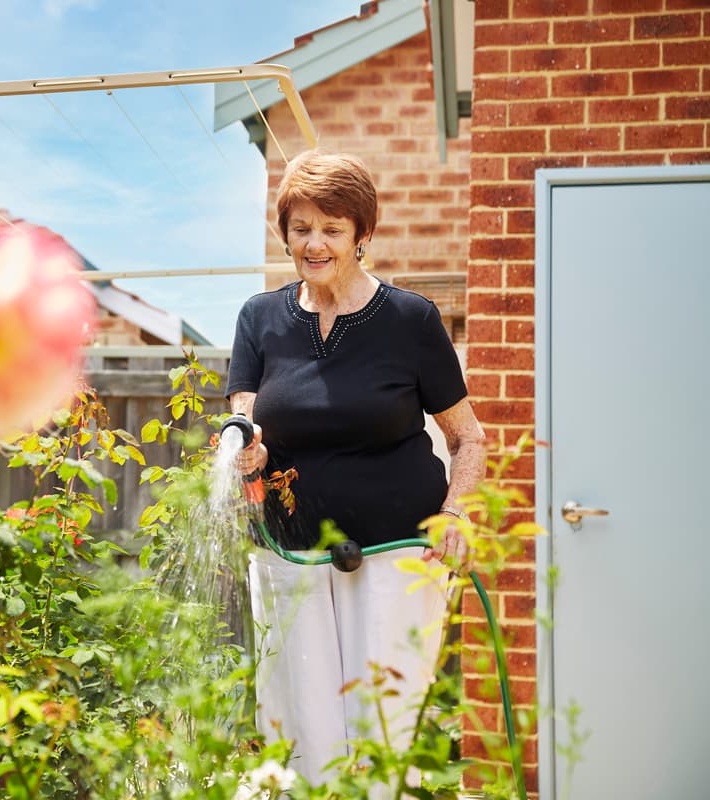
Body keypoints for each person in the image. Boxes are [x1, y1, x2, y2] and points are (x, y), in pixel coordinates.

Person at [225, 151, 486, 786]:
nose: (314, 244)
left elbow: (469, 440)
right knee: (298, 725)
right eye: (301, 228)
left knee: (384, 729)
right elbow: (246, 420)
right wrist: (246, 450)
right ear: (285, 233)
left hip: (400, 553)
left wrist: (455, 515)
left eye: (332, 229)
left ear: (362, 235)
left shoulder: (411, 320)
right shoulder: (259, 319)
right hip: (292, 550)